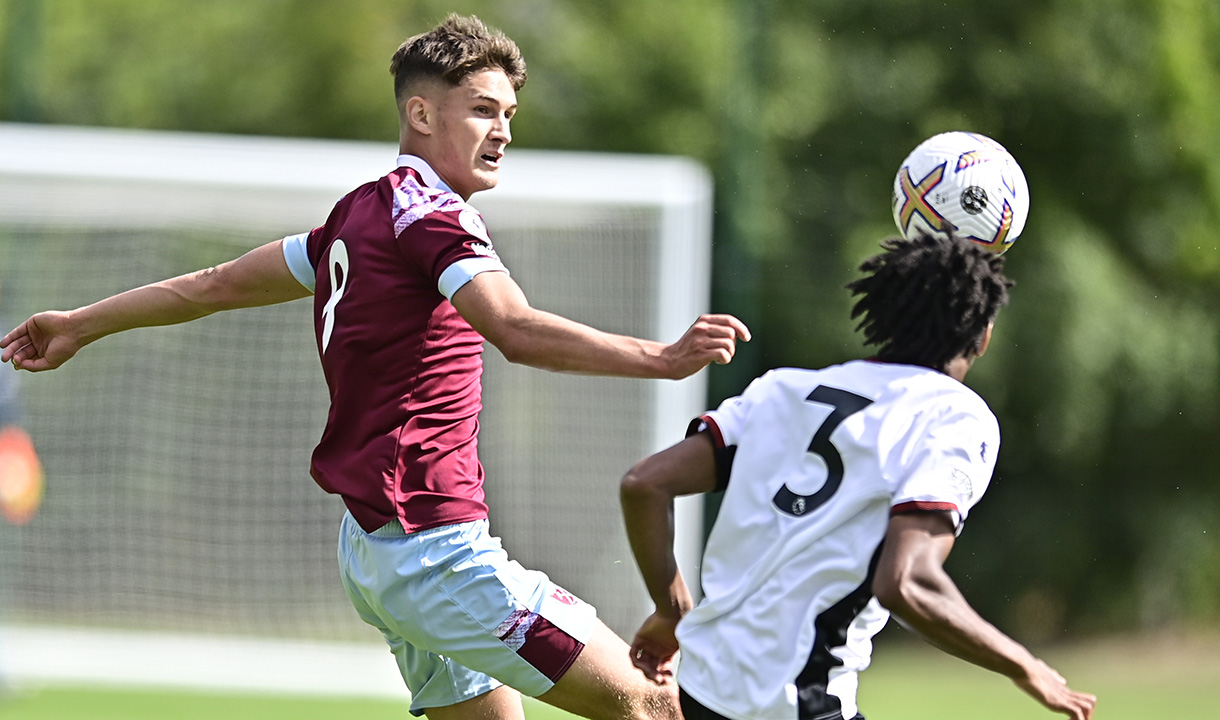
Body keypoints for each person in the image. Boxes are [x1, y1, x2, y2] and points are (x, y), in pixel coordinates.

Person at [0, 14, 750, 720]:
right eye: (485, 110)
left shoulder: (355, 215)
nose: (504, 132)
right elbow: (515, 329)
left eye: (511, 115)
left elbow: (216, 284)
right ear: (421, 115)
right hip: (437, 553)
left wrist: (82, 323)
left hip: (374, 552)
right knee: (652, 704)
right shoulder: (432, 217)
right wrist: (664, 357)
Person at [620, 232, 1097, 720]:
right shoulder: (953, 416)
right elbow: (906, 582)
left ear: (883, 316)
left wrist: (672, 609)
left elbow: (644, 484)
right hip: (797, 703)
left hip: (701, 692)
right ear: (984, 334)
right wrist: (1023, 664)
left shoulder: (782, 389)